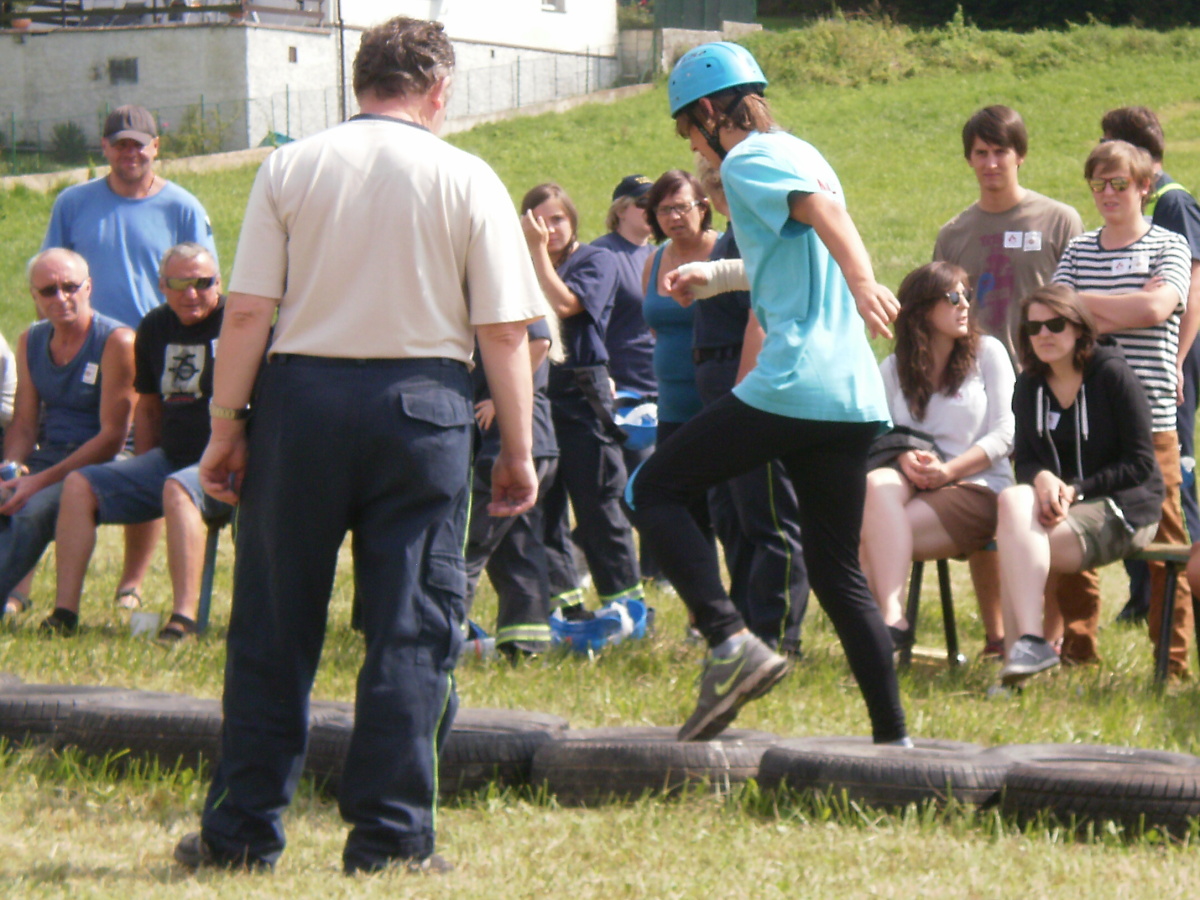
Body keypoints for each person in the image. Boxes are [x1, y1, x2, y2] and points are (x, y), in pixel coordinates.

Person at [174, 17, 542, 875]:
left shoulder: (290, 167)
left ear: (358, 84)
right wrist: (518, 449)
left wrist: (226, 426)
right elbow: (503, 331)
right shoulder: (468, 176)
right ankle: (392, 839)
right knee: (412, 628)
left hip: (301, 402)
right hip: (424, 409)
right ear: (439, 90)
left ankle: (240, 834)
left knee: (272, 626)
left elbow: (247, 311)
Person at [627, 42, 908, 745]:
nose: (693, 146)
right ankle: (894, 740)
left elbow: (822, 216)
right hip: (850, 394)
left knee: (652, 490)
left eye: (688, 130)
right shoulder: (801, 151)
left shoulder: (746, 159)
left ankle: (729, 640)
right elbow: (788, 257)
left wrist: (865, 280)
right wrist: (713, 278)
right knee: (836, 572)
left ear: (709, 111)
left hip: (794, 380)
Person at [41, 103, 218, 615]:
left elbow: (204, 282)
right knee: (71, 453)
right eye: (119, 145)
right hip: (89, 349)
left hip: (156, 353)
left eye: (138, 145)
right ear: (105, 148)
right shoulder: (73, 203)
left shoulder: (182, 206)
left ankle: (131, 583)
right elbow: (50, 273)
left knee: (147, 451)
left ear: (155, 148)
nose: (129, 154)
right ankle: (28, 589)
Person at [932, 105, 1082, 657]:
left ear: (1020, 155)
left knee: (1048, 509)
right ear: (969, 159)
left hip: (1048, 388)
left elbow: (1078, 309)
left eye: (1001, 151)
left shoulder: (1058, 220)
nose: (991, 162)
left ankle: (1051, 634)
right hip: (980, 393)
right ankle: (997, 636)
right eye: (981, 152)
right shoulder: (955, 233)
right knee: (989, 504)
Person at [1052, 139, 1193, 675]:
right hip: (1085, 421)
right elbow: (1052, 315)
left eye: (1119, 184)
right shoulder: (1078, 250)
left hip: (1153, 422)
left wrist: (1085, 309)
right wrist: (1123, 307)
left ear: (1144, 187)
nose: (1108, 193)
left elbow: (1157, 308)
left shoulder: (1169, 246)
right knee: (1070, 532)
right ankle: (1077, 652)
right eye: (1098, 184)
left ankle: (1171, 665)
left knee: (1166, 545)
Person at [45, 243, 230, 641]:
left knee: (178, 488)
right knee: (80, 484)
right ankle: (64, 613)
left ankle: (183, 620)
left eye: (203, 282)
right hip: (172, 459)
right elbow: (147, 408)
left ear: (219, 282)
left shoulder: (239, 324)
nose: (191, 293)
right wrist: (145, 465)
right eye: (179, 283)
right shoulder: (154, 327)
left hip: (229, 463)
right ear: (162, 285)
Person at [997, 285, 1162, 685]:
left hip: (1125, 507)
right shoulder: (1029, 385)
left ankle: (1020, 655)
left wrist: (1078, 489)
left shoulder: (1112, 375)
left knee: (1018, 547)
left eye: (1055, 325)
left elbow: (1141, 463)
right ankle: (1029, 646)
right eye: (1034, 327)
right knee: (1013, 500)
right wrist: (1043, 478)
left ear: (1078, 328)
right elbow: (1027, 459)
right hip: (1065, 508)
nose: (1044, 334)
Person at [860, 262, 1015, 648]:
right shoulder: (893, 368)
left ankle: (878, 637)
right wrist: (901, 456)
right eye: (952, 297)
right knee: (875, 484)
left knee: (867, 538)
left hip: (977, 485)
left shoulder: (988, 354)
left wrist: (949, 471)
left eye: (967, 295)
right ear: (921, 309)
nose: (965, 305)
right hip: (912, 482)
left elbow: (1007, 434)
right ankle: (891, 621)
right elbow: (877, 433)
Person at [692, 159, 808, 655]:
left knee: (768, 516)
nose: (718, 199)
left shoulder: (755, 239)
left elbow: (759, 320)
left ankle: (778, 632)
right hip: (717, 386)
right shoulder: (730, 236)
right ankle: (741, 627)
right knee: (732, 516)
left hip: (745, 389)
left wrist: (744, 398)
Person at [521, 183, 643, 618]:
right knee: (543, 505)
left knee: (598, 503)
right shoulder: (517, 264)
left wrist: (536, 253)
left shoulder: (596, 259)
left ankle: (625, 605)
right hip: (535, 389)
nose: (550, 229)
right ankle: (565, 607)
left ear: (572, 220)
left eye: (557, 219)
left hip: (582, 390)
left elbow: (567, 305)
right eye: (539, 221)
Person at [1100, 107, 1200, 624]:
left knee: (1172, 482)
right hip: (1129, 367)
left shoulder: (1172, 201)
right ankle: (1142, 593)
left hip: (1168, 366)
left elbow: (1193, 289)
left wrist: (1178, 361)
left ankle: (1182, 594)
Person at [0, 249, 135, 631]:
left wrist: (37, 482)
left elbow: (112, 437)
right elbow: (24, 424)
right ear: (34, 296)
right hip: (51, 455)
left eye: (70, 287)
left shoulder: (117, 341)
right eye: (48, 290)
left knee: (31, 507)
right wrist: (10, 470)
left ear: (88, 287)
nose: (60, 298)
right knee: (8, 495)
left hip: (106, 461)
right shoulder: (30, 340)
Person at [464, 319, 559, 658]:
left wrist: (498, 398)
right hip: (530, 444)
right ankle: (526, 642)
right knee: (519, 547)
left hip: (510, 447)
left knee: (469, 545)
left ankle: (437, 633)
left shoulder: (512, 292)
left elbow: (539, 341)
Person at [641, 169, 718, 547]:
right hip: (671, 405)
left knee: (725, 504)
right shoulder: (654, 260)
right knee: (678, 502)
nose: (673, 217)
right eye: (663, 210)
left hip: (717, 397)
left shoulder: (724, 252)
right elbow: (656, 326)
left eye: (681, 207)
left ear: (703, 208)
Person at [593, 174, 661, 583]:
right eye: (642, 202)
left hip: (663, 385)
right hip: (625, 387)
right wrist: (602, 377)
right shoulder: (604, 255)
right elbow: (590, 323)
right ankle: (596, 553)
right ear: (620, 209)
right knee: (638, 483)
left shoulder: (659, 254)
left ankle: (657, 570)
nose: (650, 210)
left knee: (661, 481)